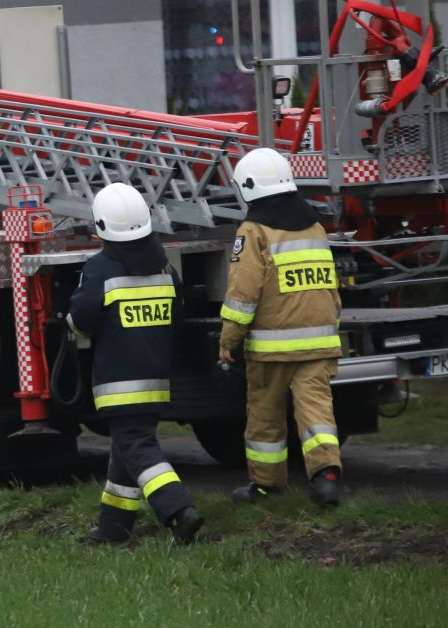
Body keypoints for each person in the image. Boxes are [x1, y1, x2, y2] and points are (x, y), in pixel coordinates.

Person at [68, 183, 204, 545]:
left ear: (102, 226)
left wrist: (64, 321)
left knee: (137, 446)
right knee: (126, 448)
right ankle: (113, 529)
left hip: (118, 383)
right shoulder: (164, 269)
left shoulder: (99, 269)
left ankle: (178, 511)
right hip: (155, 379)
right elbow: (177, 316)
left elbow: (82, 320)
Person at [218, 147, 343, 507]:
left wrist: (229, 339)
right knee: (316, 411)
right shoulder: (315, 227)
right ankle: (326, 477)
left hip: (272, 347)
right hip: (319, 339)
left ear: (250, 188)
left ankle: (266, 485)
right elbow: (328, 285)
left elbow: (243, 293)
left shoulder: (254, 231)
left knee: (265, 415)